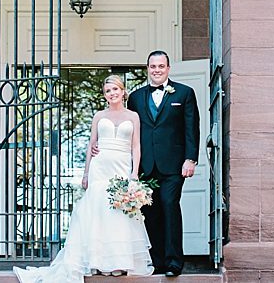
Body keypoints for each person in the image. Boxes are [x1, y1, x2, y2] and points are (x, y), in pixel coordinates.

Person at [14, 75, 153, 283]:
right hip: (100, 166)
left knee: (119, 213)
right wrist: (87, 172)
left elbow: (136, 146)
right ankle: (97, 261)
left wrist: (134, 173)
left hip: (122, 166)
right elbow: (91, 144)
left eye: (115, 89)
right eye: (108, 91)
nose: (112, 94)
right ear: (105, 95)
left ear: (123, 92)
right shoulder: (99, 115)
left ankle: (117, 262)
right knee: (99, 210)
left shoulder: (133, 116)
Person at [126, 50, 200, 277]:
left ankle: (174, 262)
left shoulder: (185, 93)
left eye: (161, 66)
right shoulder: (136, 97)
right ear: (147, 68)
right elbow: (131, 132)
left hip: (174, 165)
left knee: (170, 205)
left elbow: (191, 128)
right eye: (152, 66)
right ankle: (158, 261)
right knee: (151, 213)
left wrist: (190, 159)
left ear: (168, 68)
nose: (156, 70)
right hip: (146, 166)